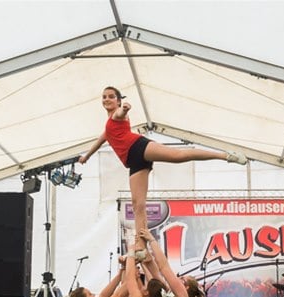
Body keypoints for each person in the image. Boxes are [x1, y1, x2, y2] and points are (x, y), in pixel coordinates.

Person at [79, 86, 247, 243]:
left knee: (177, 156)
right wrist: (86, 156)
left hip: (139, 147)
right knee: (138, 204)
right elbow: (101, 140)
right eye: (104, 97)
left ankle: (225, 155)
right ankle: (140, 245)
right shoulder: (108, 125)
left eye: (111, 97)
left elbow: (121, 114)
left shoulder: (117, 115)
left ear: (118, 101)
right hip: (133, 161)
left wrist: (125, 109)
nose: (107, 99)